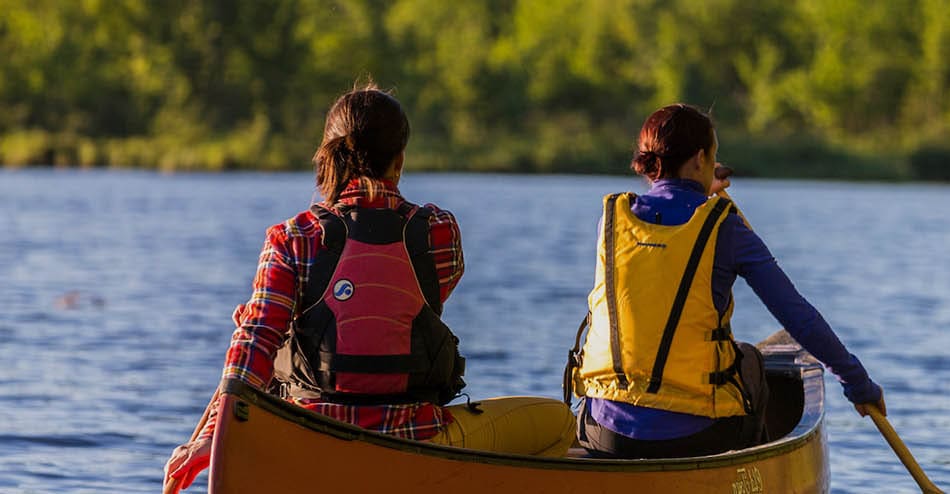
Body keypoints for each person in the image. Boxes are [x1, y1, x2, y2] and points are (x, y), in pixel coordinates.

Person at [165, 86, 573, 491]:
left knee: (268, 334)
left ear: (327, 156)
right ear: (399, 160)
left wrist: (212, 437)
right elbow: (402, 302)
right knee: (559, 422)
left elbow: (256, 339)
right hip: (417, 443)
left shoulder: (290, 238)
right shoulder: (439, 231)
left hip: (309, 439)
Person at [569, 104, 885, 458]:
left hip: (605, 433)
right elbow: (798, 317)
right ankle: (754, 475)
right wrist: (858, 384)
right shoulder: (726, 227)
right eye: (713, 154)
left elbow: (666, 212)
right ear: (700, 158)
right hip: (693, 437)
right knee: (750, 362)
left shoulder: (613, 221)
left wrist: (698, 189)